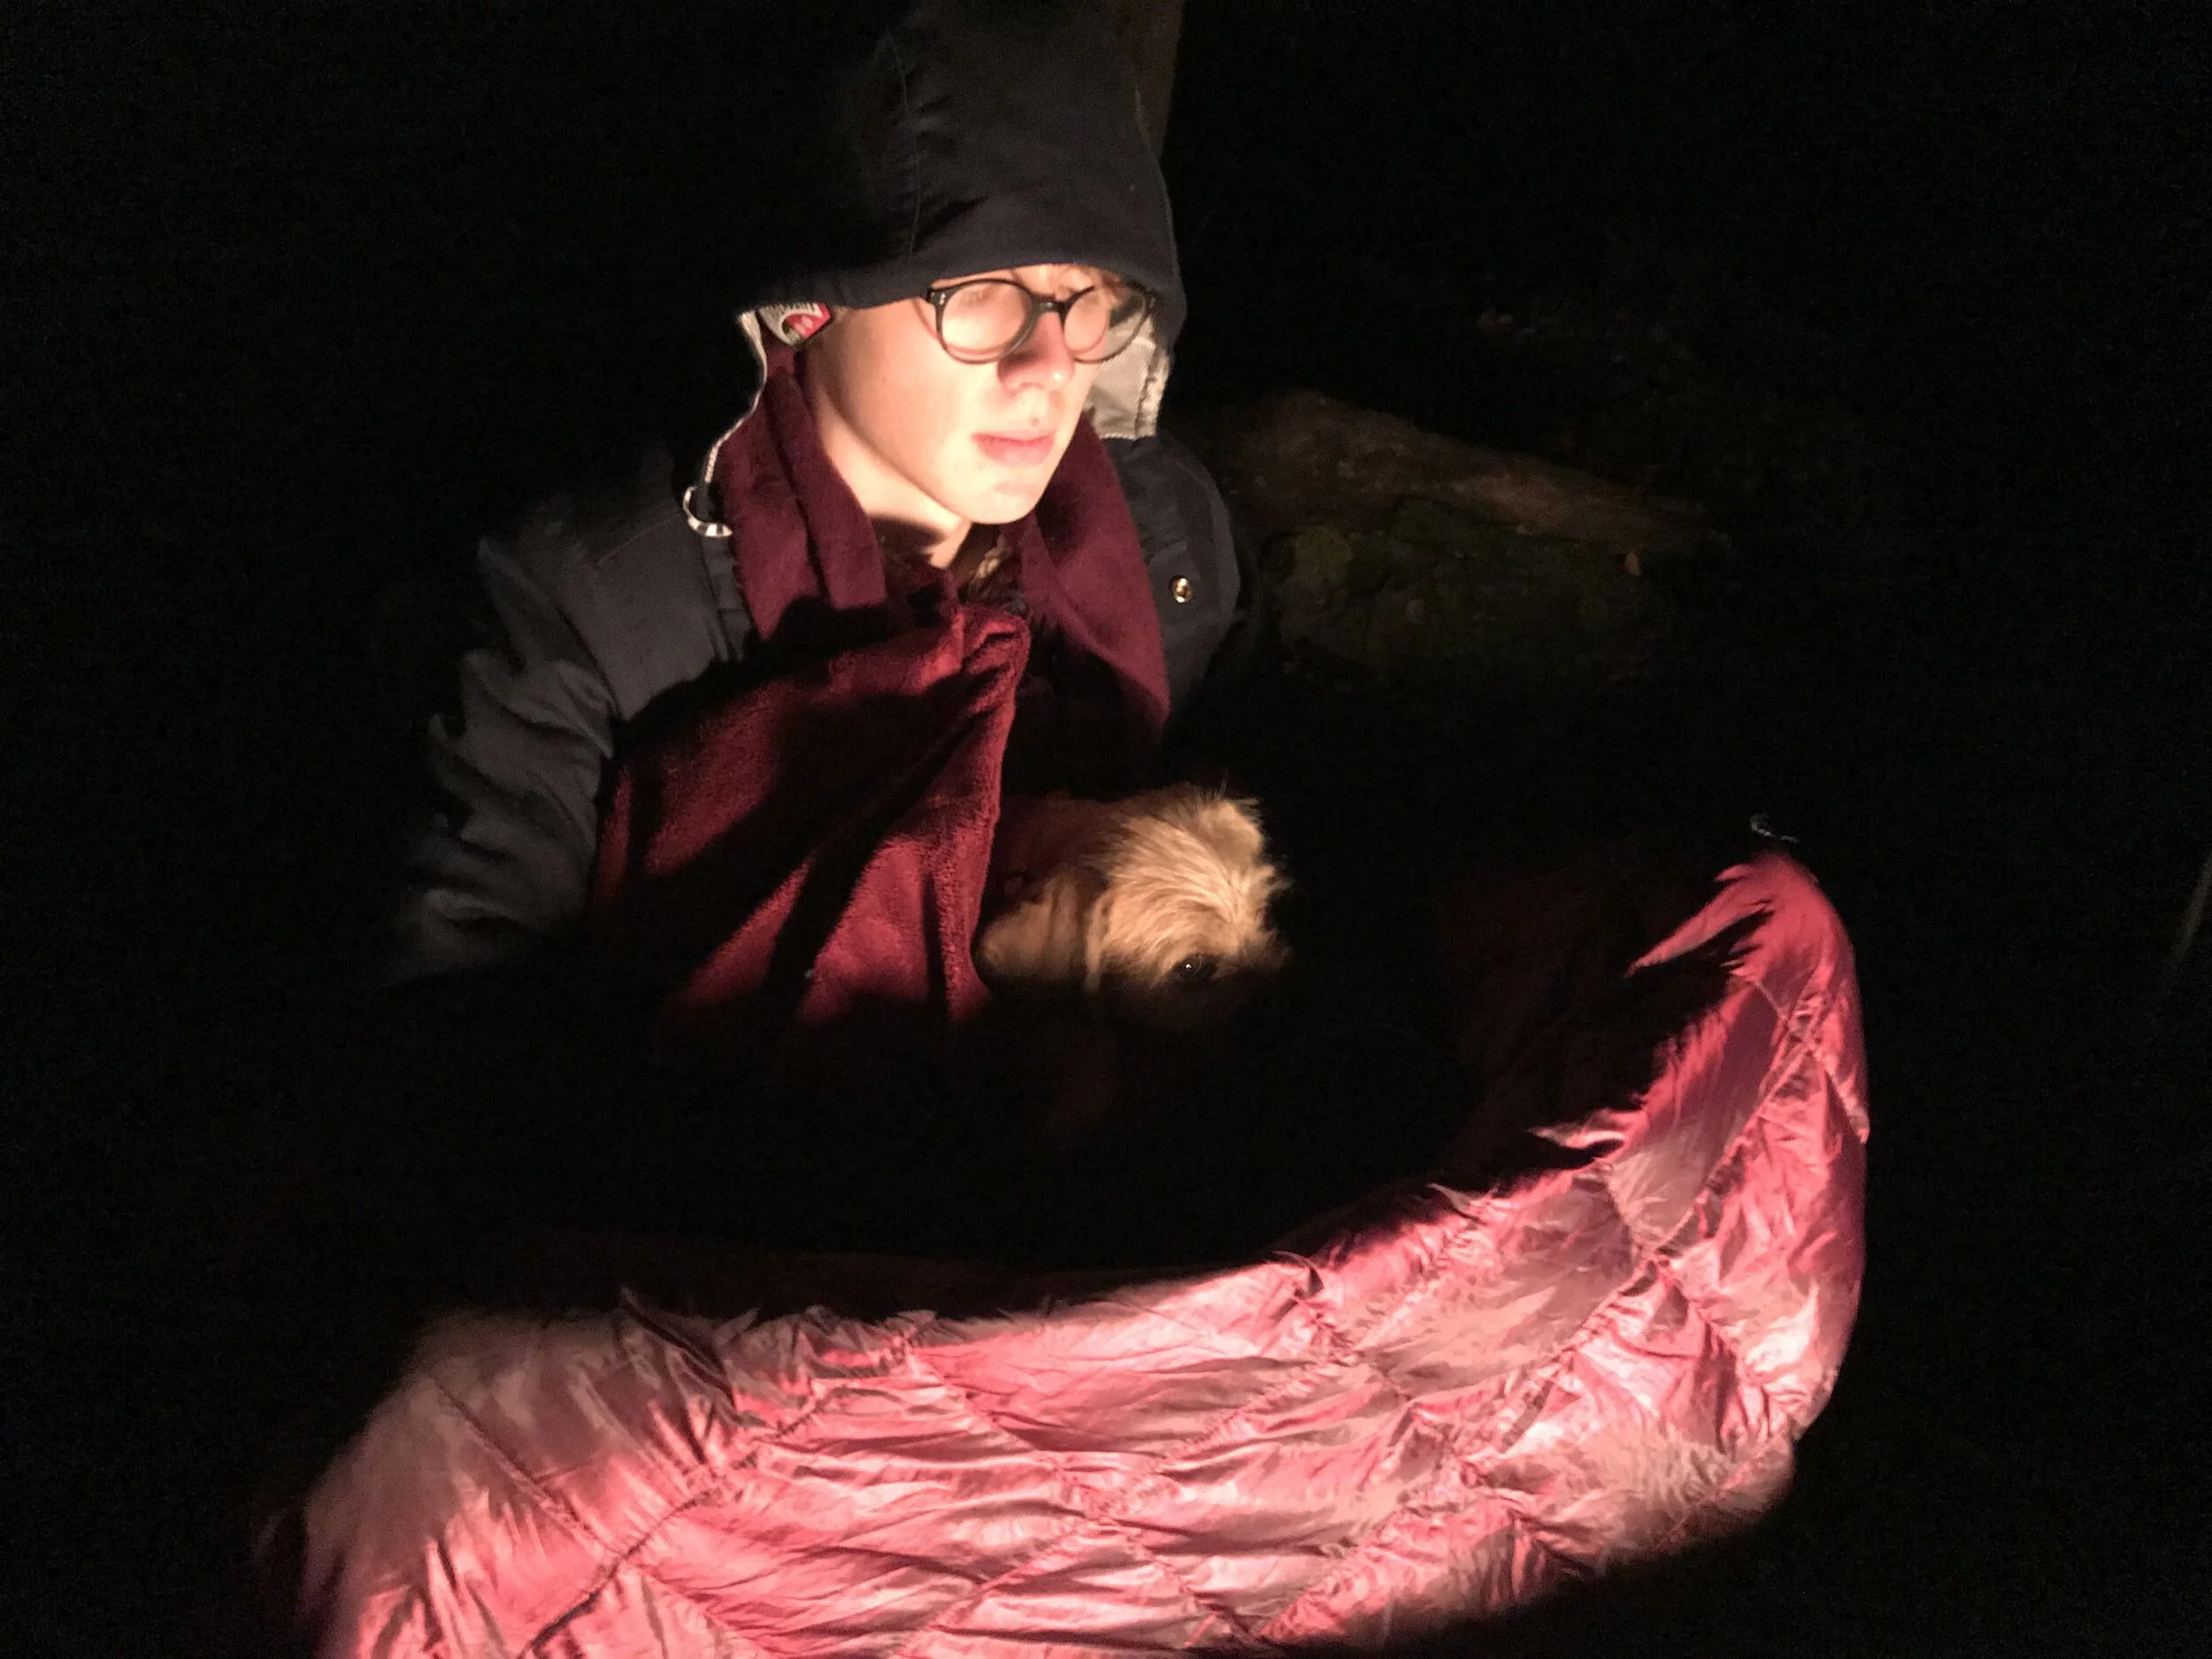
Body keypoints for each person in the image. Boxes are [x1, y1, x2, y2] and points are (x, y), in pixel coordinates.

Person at [381, 0, 1245, 991]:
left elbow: (1328, 830)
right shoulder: (600, 610)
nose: (1048, 365)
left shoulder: (1166, 541)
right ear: (810, 307)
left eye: (1091, 297)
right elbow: (450, 1017)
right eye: (977, 292)